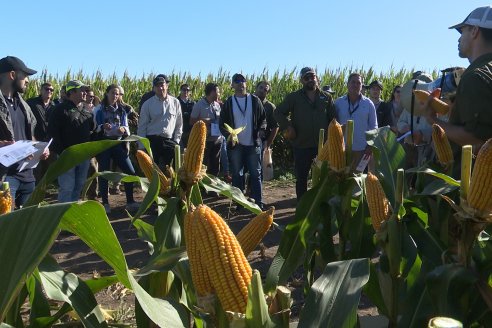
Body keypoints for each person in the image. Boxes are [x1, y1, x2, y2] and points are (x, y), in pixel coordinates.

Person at [424, 6, 492, 156]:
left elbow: (476, 139)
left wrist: (433, 120)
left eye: (463, 31)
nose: (459, 38)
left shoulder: (475, 76)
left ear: (475, 31)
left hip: (469, 175)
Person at [274, 67, 336, 200]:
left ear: (317, 78)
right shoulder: (294, 97)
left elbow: (333, 120)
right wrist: (288, 126)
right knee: (301, 178)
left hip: (322, 147)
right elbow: (278, 112)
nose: (310, 80)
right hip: (301, 145)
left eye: (312, 77)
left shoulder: (326, 97)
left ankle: (320, 205)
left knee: (324, 178)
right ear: (302, 80)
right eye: (306, 78)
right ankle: (302, 206)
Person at [0, 56, 49, 209]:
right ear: (12, 75)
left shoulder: (23, 105)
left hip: (28, 176)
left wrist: (39, 148)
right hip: (6, 177)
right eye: (25, 75)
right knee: (6, 227)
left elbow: (29, 134)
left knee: (28, 226)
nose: (27, 80)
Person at [219, 73, 266, 209]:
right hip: (236, 146)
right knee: (237, 175)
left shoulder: (254, 100)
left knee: (255, 174)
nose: (240, 83)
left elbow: (263, 118)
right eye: (237, 81)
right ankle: (239, 203)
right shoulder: (229, 102)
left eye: (243, 81)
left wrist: (261, 130)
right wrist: (229, 135)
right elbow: (222, 123)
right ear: (232, 85)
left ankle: (259, 203)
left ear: (246, 83)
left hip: (253, 144)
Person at [93, 84, 139, 214]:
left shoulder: (122, 110)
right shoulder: (99, 109)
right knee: (104, 173)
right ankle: (106, 203)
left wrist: (124, 129)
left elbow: (127, 127)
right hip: (104, 144)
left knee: (130, 172)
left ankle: (130, 201)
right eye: (113, 93)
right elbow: (94, 127)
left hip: (118, 143)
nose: (115, 96)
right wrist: (102, 127)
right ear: (107, 93)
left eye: (117, 94)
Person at [48, 80, 94, 203]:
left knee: (79, 186)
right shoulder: (60, 109)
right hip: (67, 156)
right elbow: (53, 133)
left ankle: (70, 212)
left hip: (83, 156)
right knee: (67, 187)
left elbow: (93, 130)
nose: (85, 93)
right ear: (72, 92)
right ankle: (61, 216)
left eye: (86, 90)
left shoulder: (86, 111)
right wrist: (61, 153)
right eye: (82, 90)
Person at [334, 73, 378, 172]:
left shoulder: (368, 104)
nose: (355, 85)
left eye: (358, 83)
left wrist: (370, 146)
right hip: (341, 150)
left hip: (361, 149)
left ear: (362, 85)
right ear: (347, 84)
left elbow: (374, 127)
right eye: (353, 82)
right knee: (341, 180)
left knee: (357, 181)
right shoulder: (338, 103)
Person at [137, 75, 183, 169]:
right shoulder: (147, 104)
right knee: (153, 171)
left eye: (162, 85)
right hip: (152, 141)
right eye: (157, 86)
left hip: (169, 140)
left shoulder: (175, 102)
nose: (160, 88)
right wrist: (142, 146)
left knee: (174, 171)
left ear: (167, 85)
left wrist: (176, 140)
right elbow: (142, 126)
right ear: (154, 88)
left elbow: (179, 124)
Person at [190, 83, 223, 176]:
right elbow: (191, 121)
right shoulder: (199, 105)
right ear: (212, 92)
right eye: (218, 92)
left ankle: (213, 188)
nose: (219, 94)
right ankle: (203, 188)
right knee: (203, 165)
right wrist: (203, 121)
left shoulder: (217, 105)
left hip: (217, 139)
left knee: (215, 165)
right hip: (204, 140)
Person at [27, 82, 56, 182]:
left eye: (51, 90)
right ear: (41, 90)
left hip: (50, 144)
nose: (49, 91)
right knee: (35, 171)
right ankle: (34, 194)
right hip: (35, 142)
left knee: (48, 172)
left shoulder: (54, 106)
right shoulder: (31, 103)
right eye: (46, 89)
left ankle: (43, 193)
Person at [178, 83, 195, 149]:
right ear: (180, 90)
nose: (186, 92)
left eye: (187, 90)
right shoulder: (176, 102)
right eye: (184, 90)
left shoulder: (192, 103)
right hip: (180, 130)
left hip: (190, 131)